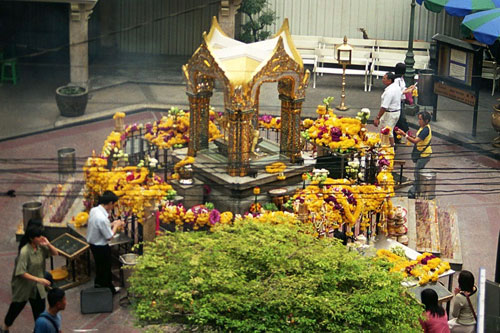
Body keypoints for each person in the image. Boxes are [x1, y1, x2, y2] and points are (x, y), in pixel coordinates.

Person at [1, 225, 58, 333]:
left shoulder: (41, 247)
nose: (41, 237)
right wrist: (39, 280)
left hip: (37, 288)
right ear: (32, 238)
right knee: (16, 307)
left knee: (39, 313)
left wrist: (48, 244)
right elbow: (21, 272)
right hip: (24, 287)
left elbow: (55, 253)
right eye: (38, 236)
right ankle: (5, 327)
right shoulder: (25, 251)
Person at [86, 190, 125, 295]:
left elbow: (100, 227)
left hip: (93, 244)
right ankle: (108, 291)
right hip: (101, 247)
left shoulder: (94, 210)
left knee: (100, 268)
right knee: (105, 269)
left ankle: (99, 285)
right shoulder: (102, 218)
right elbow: (109, 236)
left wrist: (112, 224)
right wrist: (116, 226)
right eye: (113, 205)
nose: (113, 207)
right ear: (110, 203)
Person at [395, 110, 432, 199]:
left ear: (426, 121)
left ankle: (415, 190)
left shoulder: (426, 130)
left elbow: (415, 141)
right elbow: (417, 138)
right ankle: (419, 188)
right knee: (418, 172)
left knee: (417, 173)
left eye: (420, 119)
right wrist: (407, 135)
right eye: (418, 119)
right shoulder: (423, 128)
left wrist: (404, 135)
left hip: (424, 155)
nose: (419, 121)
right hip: (421, 154)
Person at [374, 72, 401, 146]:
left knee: (388, 132)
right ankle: (383, 143)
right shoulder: (396, 86)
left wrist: (377, 117)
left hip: (390, 113)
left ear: (389, 80)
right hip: (394, 112)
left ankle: (391, 147)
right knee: (384, 129)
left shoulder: (390, 91)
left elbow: (384, 106)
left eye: (384, 78)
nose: (382, 80)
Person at [393, 62, 415, 143]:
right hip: (398, 101)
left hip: (402, 101)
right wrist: (408, 91)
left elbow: (403, 88)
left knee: (399, 120)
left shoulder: (401, 79)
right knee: (401, 119)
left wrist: (409, 88)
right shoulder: (396, 80)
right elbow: (398, 91)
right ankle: (406, 134)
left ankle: (398, 137)